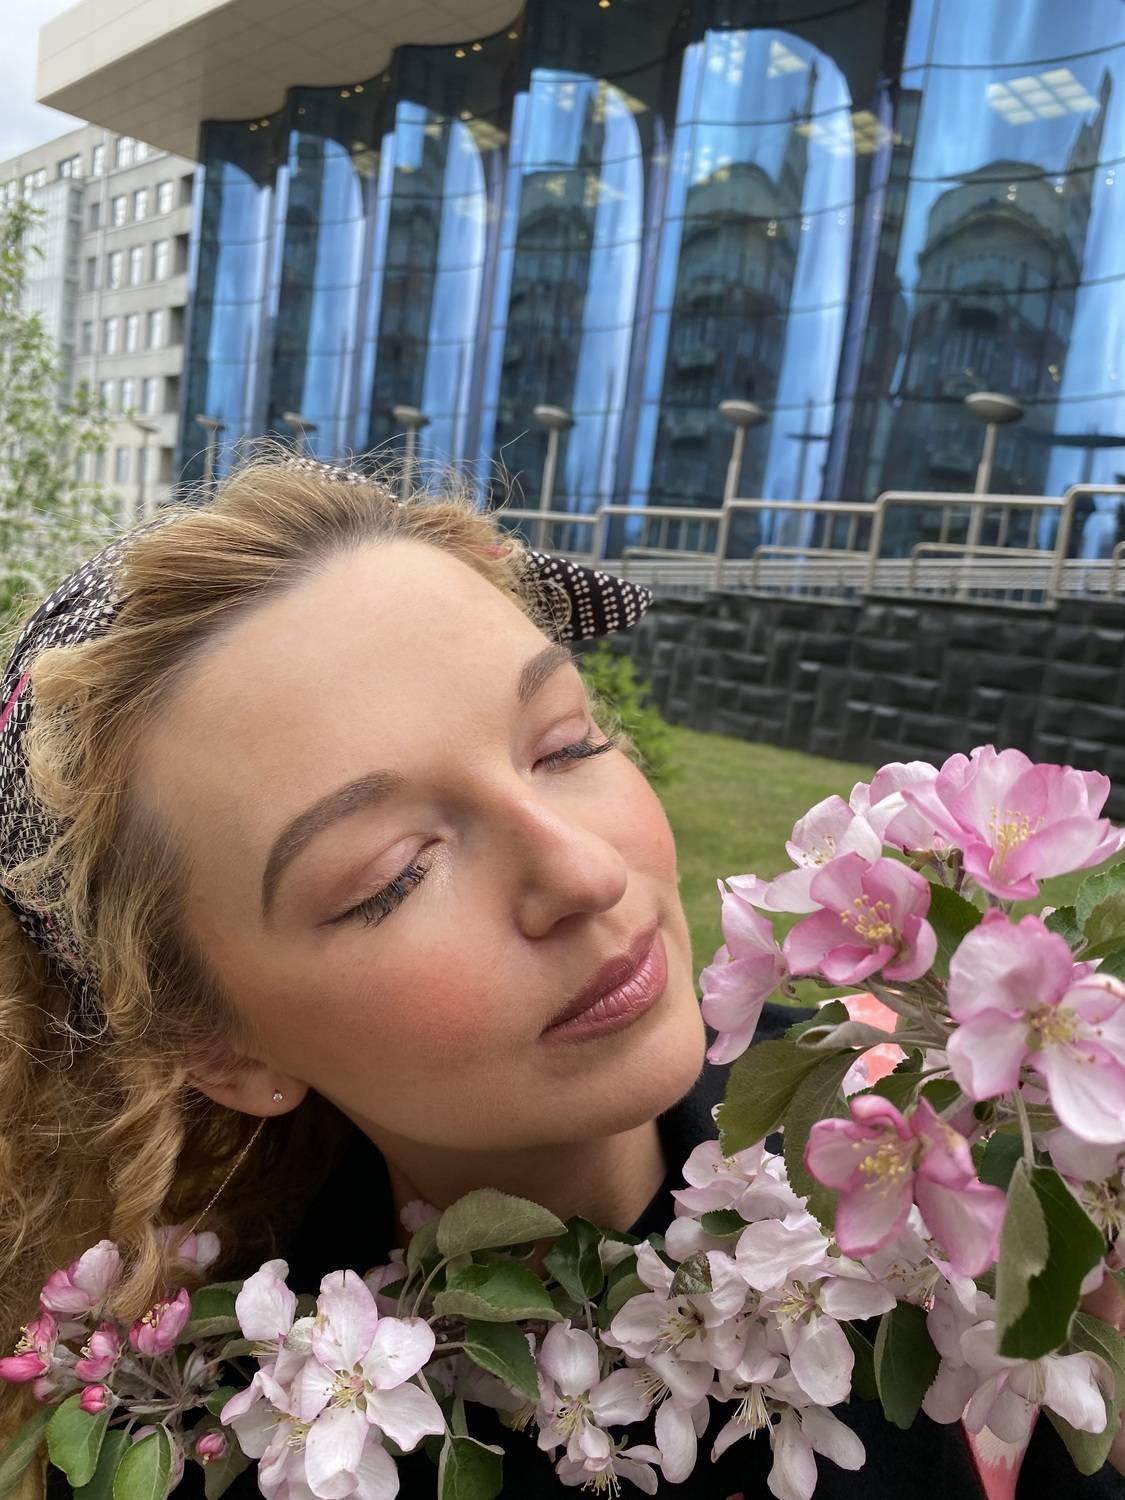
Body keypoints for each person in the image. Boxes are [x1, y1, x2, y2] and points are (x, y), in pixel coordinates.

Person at [0, 457, 1120, 1499]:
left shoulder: (977, 1145)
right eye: (393, 875)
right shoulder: (241, 1434)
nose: (586, 872)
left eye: (569, 743)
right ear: (218, 1044)